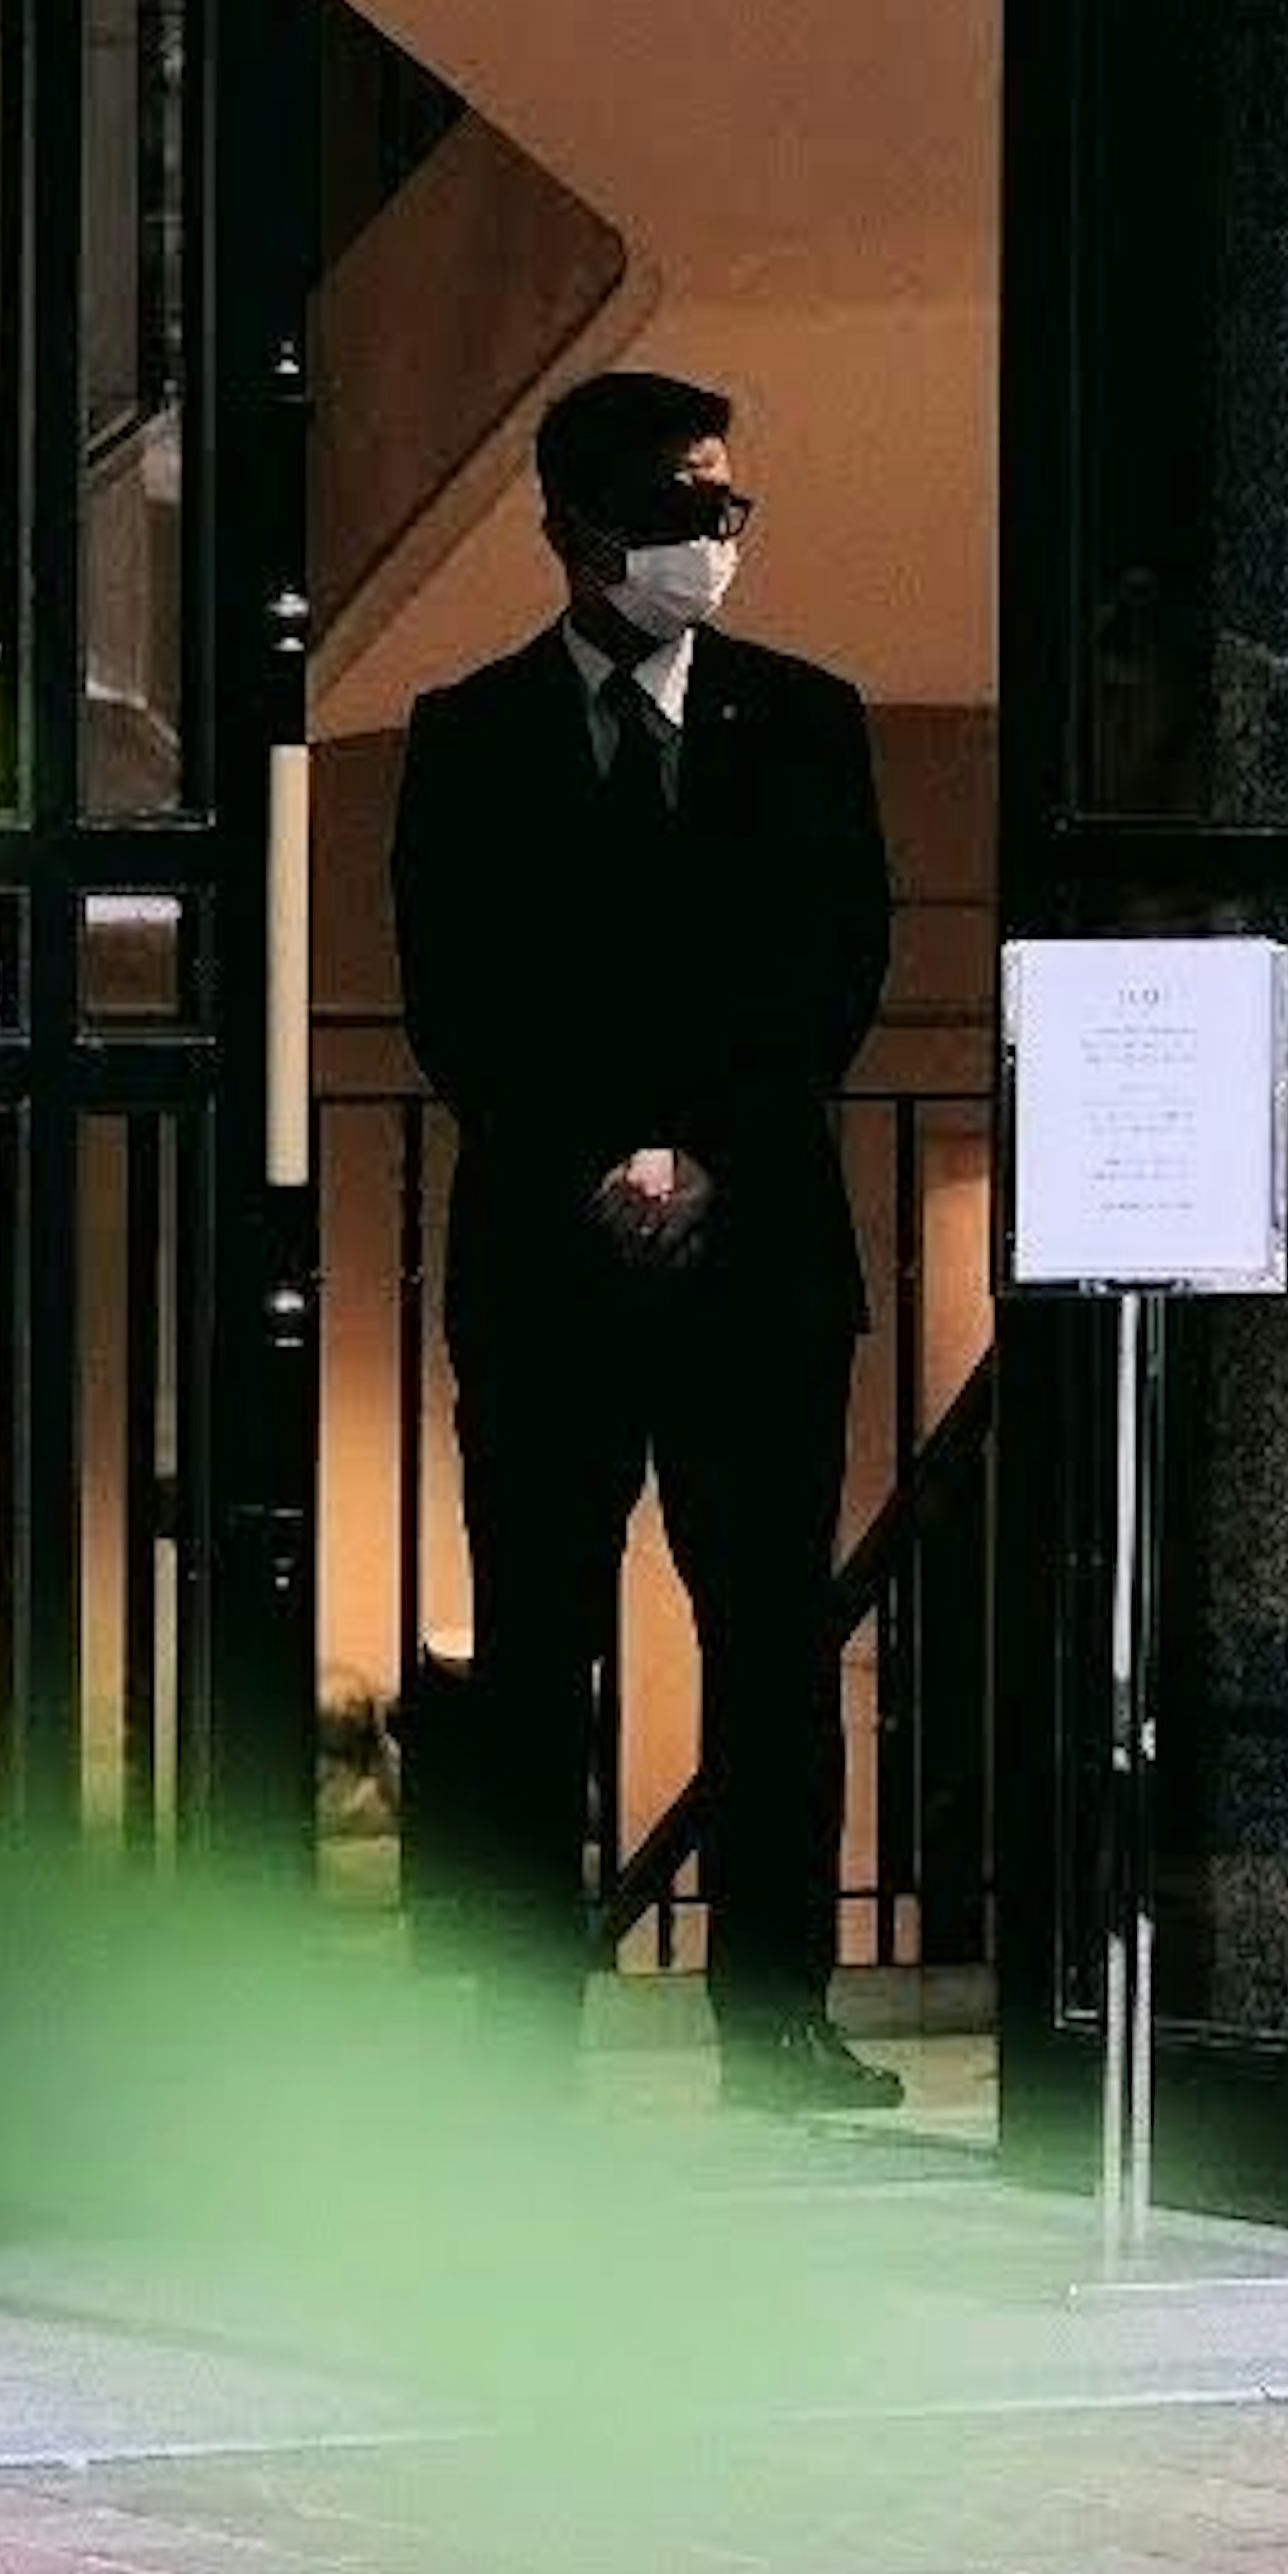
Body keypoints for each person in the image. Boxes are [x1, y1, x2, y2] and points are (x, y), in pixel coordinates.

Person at [388, 368, 900, 2115]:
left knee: (772, 1644)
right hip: (548, 1260)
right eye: (686, 509)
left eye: (726, 506)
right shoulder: (466, 737)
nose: (716, 539)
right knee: (538, 1651)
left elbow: (833, 972)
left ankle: (778, 2017)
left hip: (757, 1261)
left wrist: (697, 1156)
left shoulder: (810, 721)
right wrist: (602, 1157)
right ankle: (528, 2024)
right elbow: (462, 991)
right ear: (579, 532)